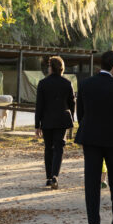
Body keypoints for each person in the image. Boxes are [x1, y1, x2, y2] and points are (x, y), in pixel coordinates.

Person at [76, 50, 113, 224]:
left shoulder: (85, 84)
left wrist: (85, 130)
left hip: (90, 136)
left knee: (91, 180)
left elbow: (80, 113)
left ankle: (94, 223)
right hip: (112, 138)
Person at [35, 56, 75, 190]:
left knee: (48, 148)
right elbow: (72, 102)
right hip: (62, 120)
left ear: (51, 67)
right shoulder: (67, 83)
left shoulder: (43, 83)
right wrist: (72, 117)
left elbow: (39, 105)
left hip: (47, 120)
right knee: (59, 148)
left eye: (48, 66)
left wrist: (37, 125)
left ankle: (48, 177)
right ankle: (55, 175)